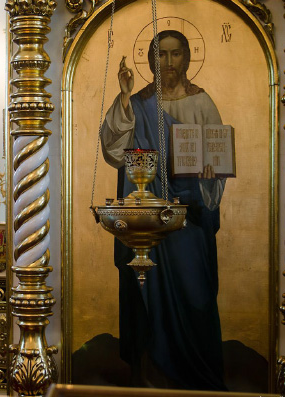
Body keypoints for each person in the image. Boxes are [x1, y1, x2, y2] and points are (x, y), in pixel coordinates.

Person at [101, 30, 227, 390]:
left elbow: (218, 156)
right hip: (146, 223)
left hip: (191, 219)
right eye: (162, 55)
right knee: (147, 298)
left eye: (176, 55)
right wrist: (124, 97)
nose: (169, 62)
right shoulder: (137, 102)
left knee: (196, 296)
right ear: (152, 60)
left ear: (187, 58)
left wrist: (209, 175)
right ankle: (152, 376)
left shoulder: (201, 103)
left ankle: (200, 378)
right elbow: (113, 151)